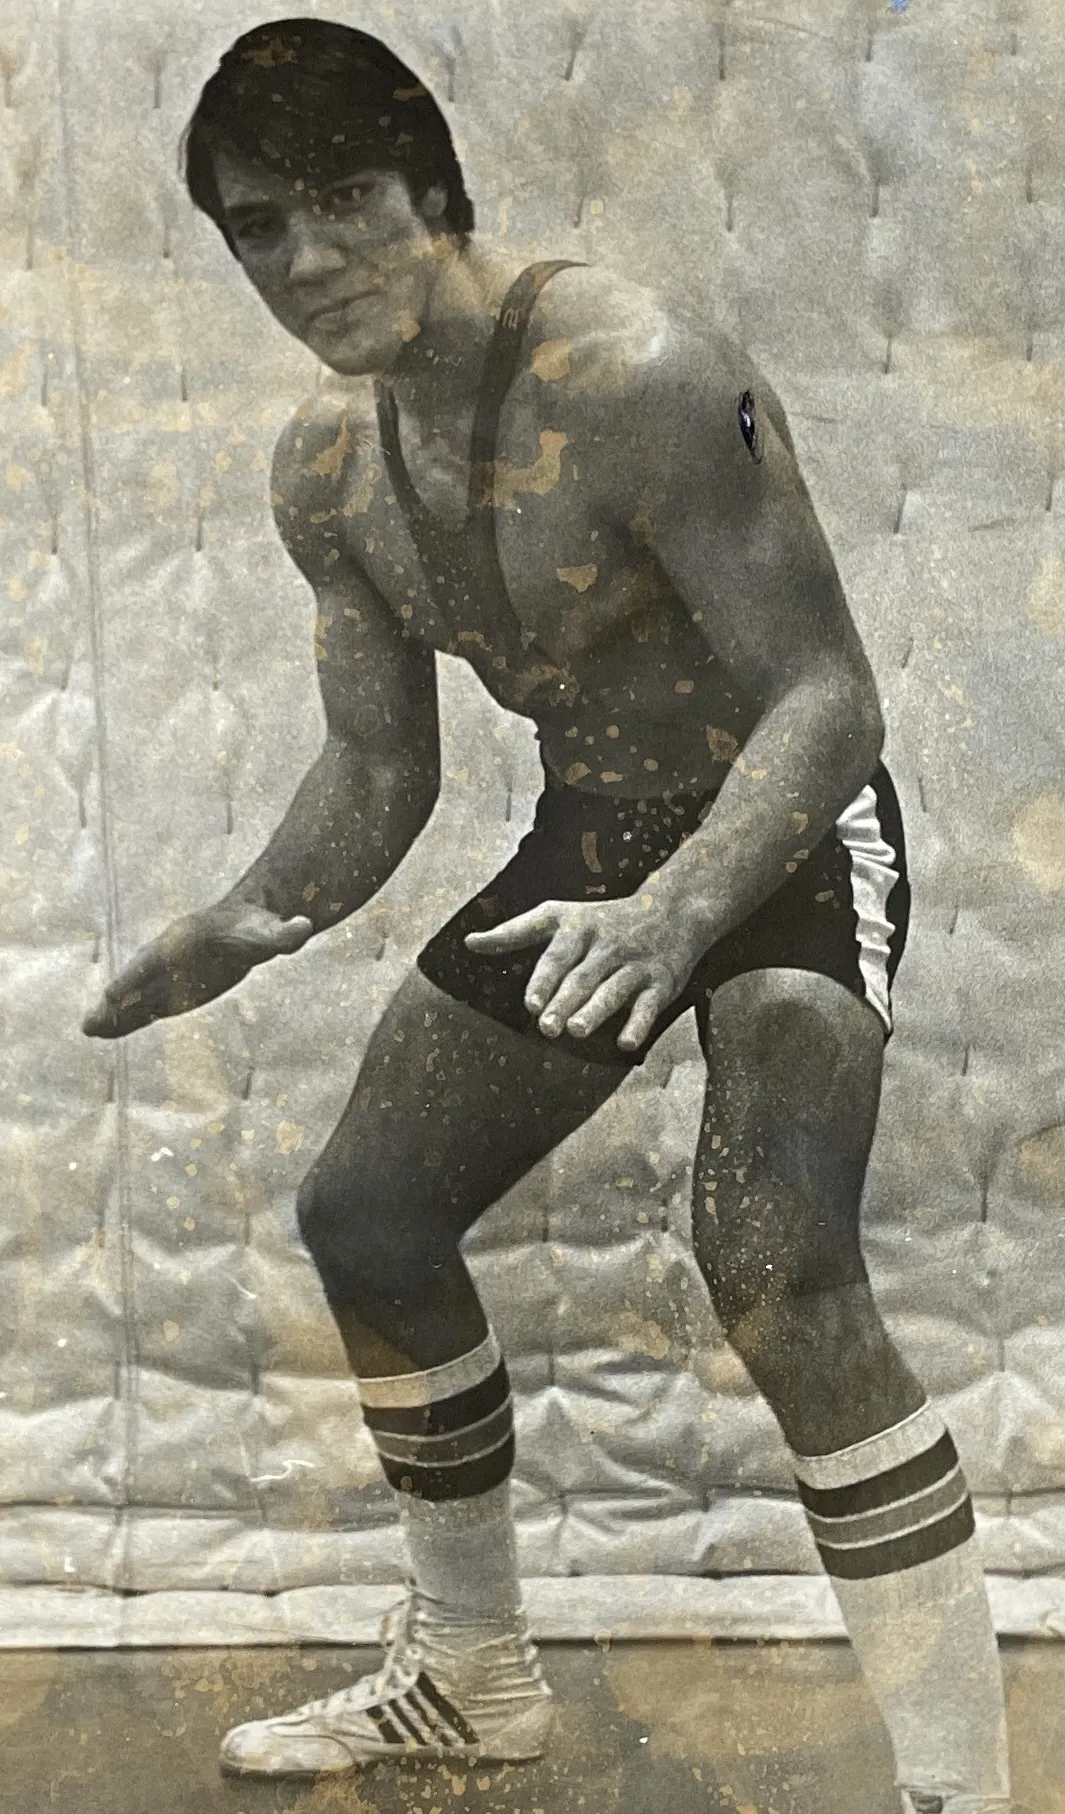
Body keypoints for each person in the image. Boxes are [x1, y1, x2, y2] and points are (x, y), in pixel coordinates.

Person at [82, 18, 1013, 1809]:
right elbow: (380, 770)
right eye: (261, 226)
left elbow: (831, 700)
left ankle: (959, 1789)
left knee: (778, 1263)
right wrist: (248, 915)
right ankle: (470, 1673)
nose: (308, 259)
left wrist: (678, 911)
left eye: (347, 199)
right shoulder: (330, 471)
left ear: (435, 192)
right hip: (605, 841)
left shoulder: (643, 370)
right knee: (369, 1214)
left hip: (789, 827)